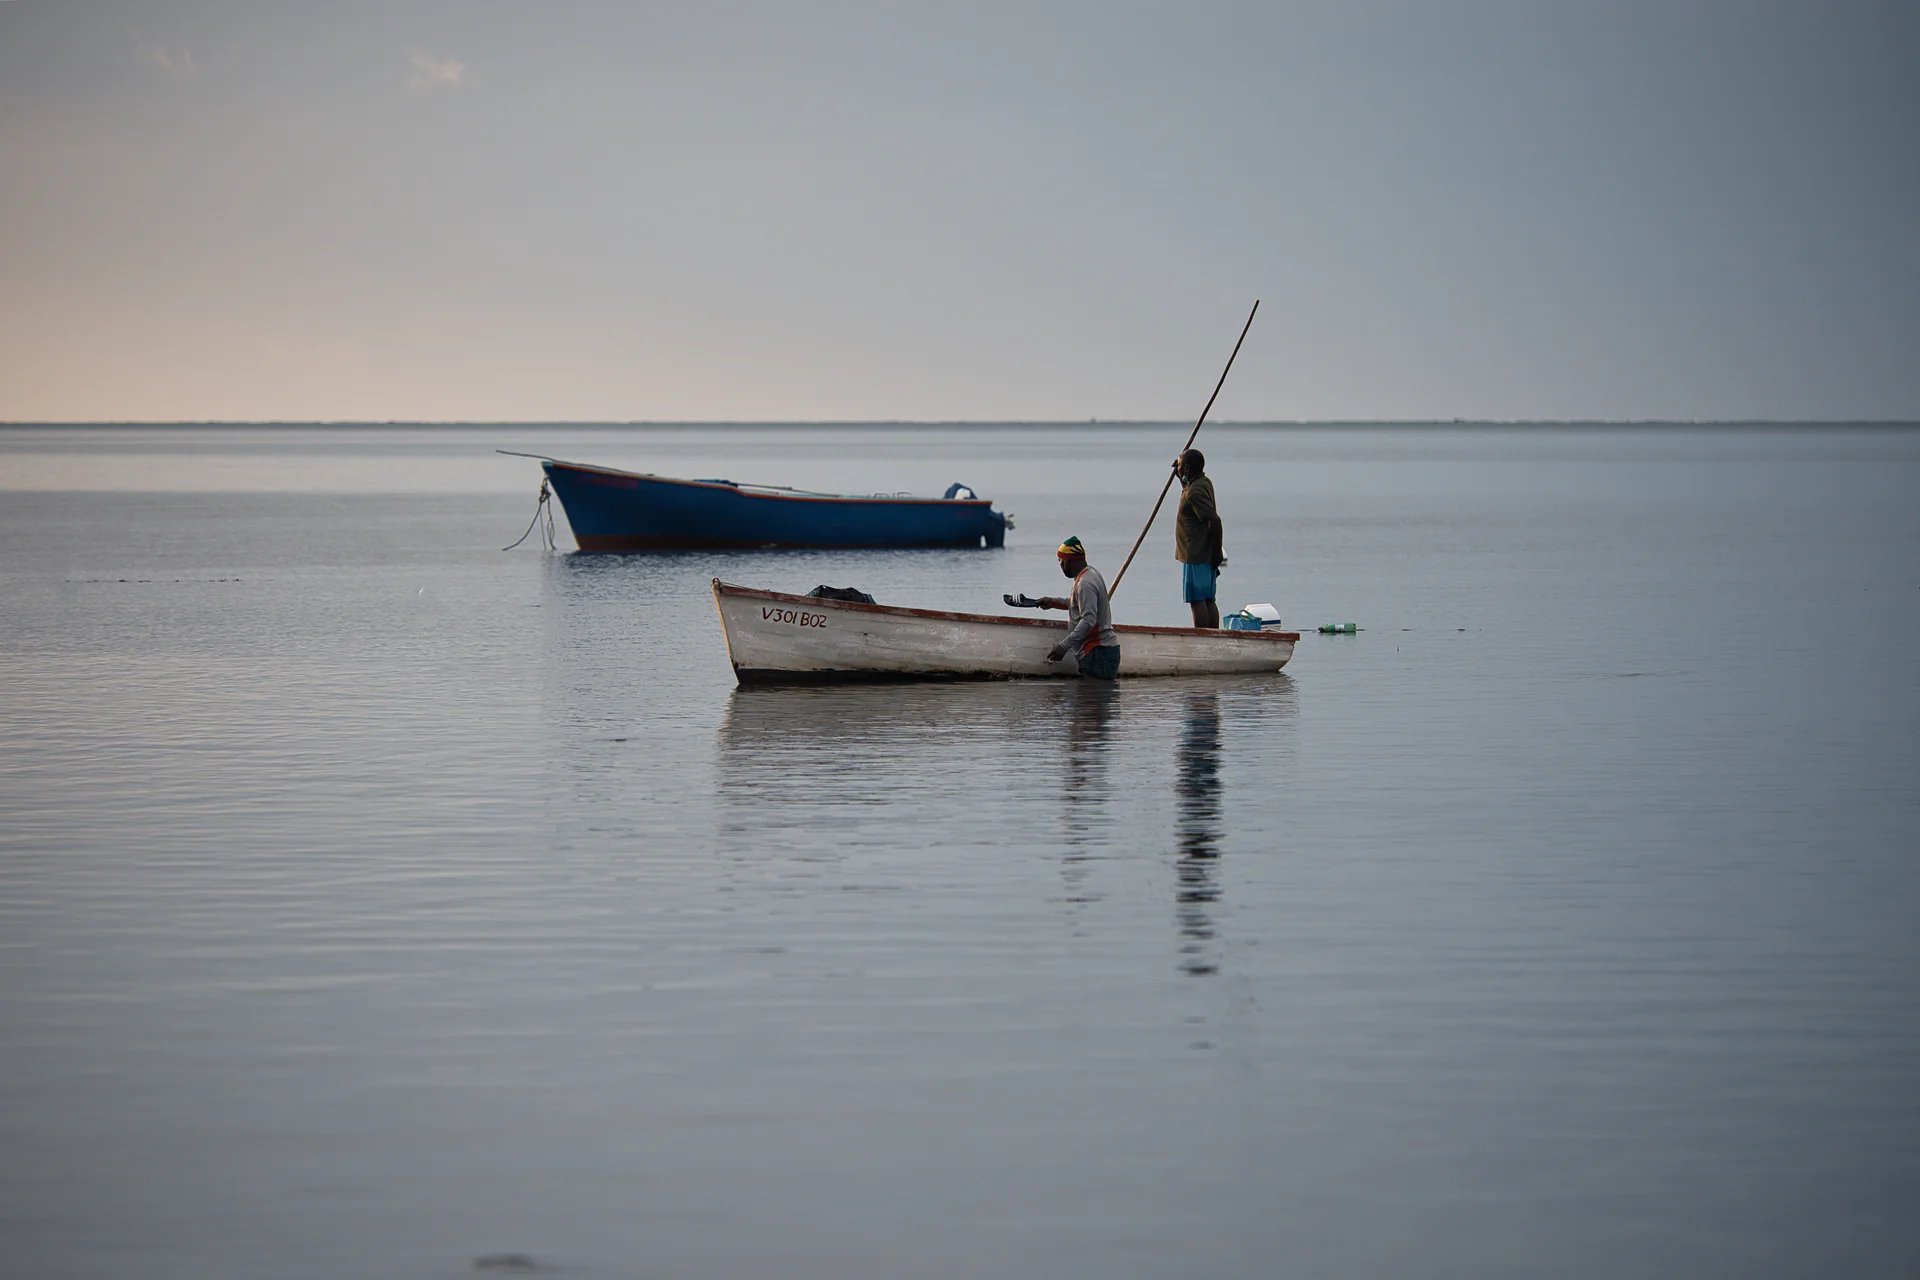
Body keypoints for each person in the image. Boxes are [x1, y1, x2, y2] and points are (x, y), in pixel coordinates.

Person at [1033, 536, 1120, 679]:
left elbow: (1088, 620)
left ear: (1069, 561)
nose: (1061, 566)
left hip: (1097, 652)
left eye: (1061, 562)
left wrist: (1063, 646)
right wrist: (1053, 602)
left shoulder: (1085, 583)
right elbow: (1078, 604)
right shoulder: (1089, 573)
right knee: (1092, 699)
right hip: (1099, 652)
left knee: (1090, 699)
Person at [1173, 448, 1225, 628]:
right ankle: (1212, 636)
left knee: (1198, 601)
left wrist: (1218, 553)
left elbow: (1214, 520)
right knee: (1208, 599)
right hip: (1204, 552)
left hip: (1195, 554)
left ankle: (1203, 638)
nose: (1177, 468)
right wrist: (1180, 475)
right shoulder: (1203, 482)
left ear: (1187, 469)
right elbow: (1189, 491)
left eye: (1180, 466)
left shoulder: (1194, 492)